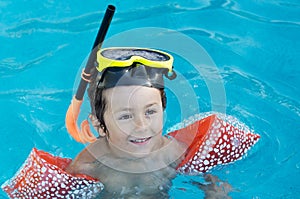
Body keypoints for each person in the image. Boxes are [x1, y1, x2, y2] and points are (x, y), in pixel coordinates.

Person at [2, 47, 260, 199]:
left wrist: (215, 193)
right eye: (125, 116)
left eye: (150, 111)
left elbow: (212, 182)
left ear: (164, 109)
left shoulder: (179, 151)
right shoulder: (90, 166)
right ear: (99, 125)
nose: (141, 125)